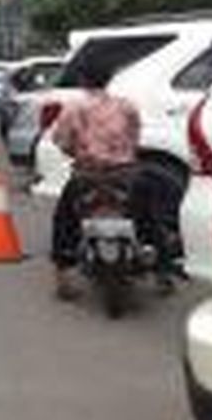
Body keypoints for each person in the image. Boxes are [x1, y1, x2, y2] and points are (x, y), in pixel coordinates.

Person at [50, 69, 162, 299]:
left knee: (64, 220)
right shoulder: (126, 106)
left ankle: (63, 274)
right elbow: (135, 136)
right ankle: (164, 269)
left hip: (88, 175)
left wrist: (76, 152)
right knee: (150, 215)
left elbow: (61, 140)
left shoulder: (73, 108)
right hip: (126, 174)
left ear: (82, 80)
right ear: (109, 80)